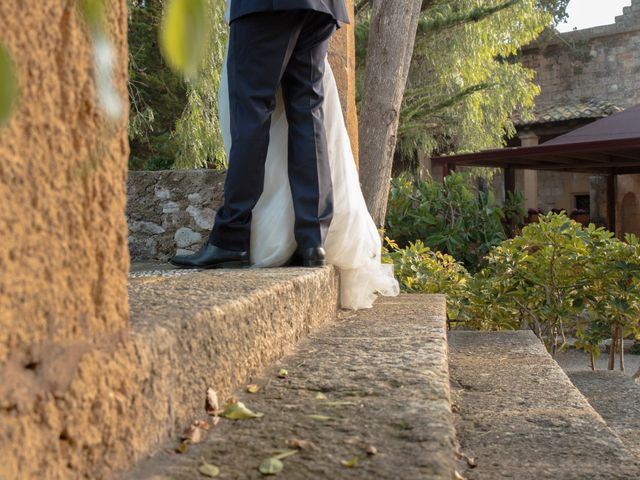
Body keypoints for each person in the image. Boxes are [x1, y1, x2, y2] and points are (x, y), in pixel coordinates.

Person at [171, 0, 399, 309]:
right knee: (308, 114)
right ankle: (312, 239)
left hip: (265, 6)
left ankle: (231, 237)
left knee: (251, 111)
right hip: (321, 7)